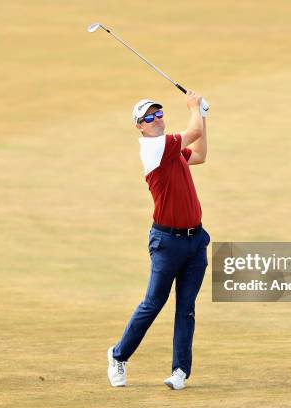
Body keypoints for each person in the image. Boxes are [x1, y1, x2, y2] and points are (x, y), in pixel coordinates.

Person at [107, 91, 210, 390]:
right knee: (154, 303)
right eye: (148, 117)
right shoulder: (154, 147)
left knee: (186, 307)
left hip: (195, 241)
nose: (156, 119)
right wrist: (195, 109)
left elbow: (201, 154)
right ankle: (118, 356)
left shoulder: (173, 149)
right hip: (166, 242)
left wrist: (202, 114)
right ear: (139, 126)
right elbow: (193, 132)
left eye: (159, 113)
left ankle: (180, 371)